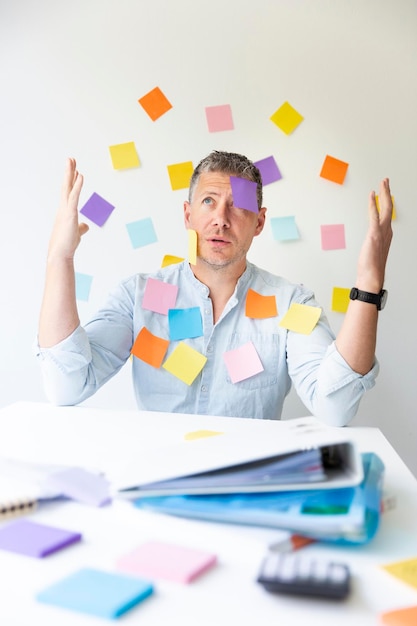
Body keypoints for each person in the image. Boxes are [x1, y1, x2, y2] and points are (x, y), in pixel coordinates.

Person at [36, 151, 393, 426]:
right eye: (209, 201)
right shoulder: (138, 297)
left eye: (238, 206)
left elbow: (335, 407)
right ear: (188, 214)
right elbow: (67, 386)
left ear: (260, 223)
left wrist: (368, 284)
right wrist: (59, 258)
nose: (221, 218)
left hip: (248, 490)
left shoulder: (290, 303)